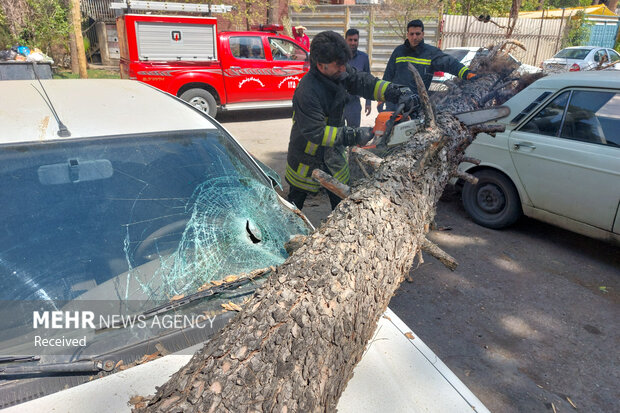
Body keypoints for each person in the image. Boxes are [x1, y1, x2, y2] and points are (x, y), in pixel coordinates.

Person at [285, 31, 418, 211]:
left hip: (333, 154)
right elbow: (316, 132)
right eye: (338, 66)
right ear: (320, 65)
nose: (343, 69)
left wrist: (395, 91)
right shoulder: (307, 91)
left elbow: (364, 82)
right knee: (295, 205)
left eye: (344, 64)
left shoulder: (339, 71)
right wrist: (355, 135)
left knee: (341, 203)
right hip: (306, 157)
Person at [382, 19, 477, 111]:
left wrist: (466, 73)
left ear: (423, 34)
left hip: (415, 105)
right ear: (407, 35)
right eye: (411, 34)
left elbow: (449, 63)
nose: (414, 37)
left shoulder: (430, 53)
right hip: (394, 103)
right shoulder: (399, 51)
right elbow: (388, 75)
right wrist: (381, 97)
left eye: (417, 34)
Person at [343, 28, 371, 127]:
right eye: (350, 40)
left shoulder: (364, 58)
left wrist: (368, 102)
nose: (353, 43)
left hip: (354, 103)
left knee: (354, 134)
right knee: (337, 135)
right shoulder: (338, 56)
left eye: (355, 40)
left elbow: (368, 81)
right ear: (345, 40)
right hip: (338, 102)